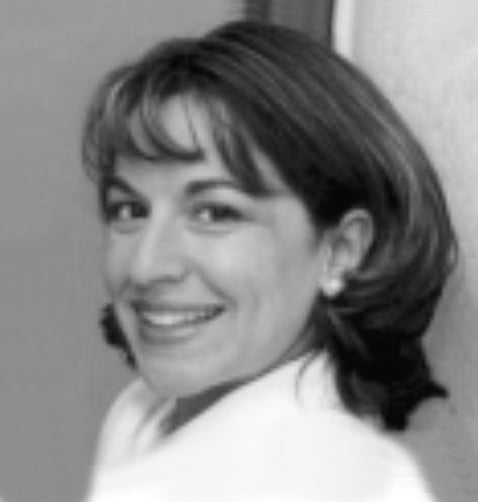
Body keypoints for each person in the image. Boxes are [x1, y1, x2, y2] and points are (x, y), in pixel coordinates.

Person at [81, 20, 457, 502]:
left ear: (341, 250)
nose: (145, 267)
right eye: (129, 210)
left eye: (215, 213)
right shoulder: (145, 411)